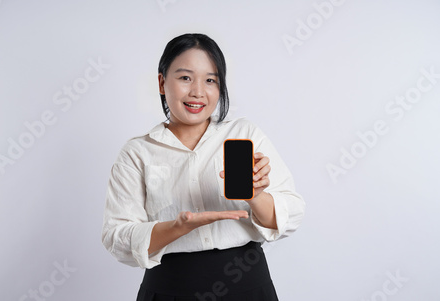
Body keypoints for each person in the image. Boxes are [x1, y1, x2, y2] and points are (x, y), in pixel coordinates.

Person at [102, 33, 305, 300]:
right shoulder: (137, 152)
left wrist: (255, 196)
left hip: (246, 284)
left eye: (210, 80)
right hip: (169, 287)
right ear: (162, 83)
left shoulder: (244, 134)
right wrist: (176, 228)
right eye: (185, 78)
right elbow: (117, 238)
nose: (198, 91)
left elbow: (291, 215)